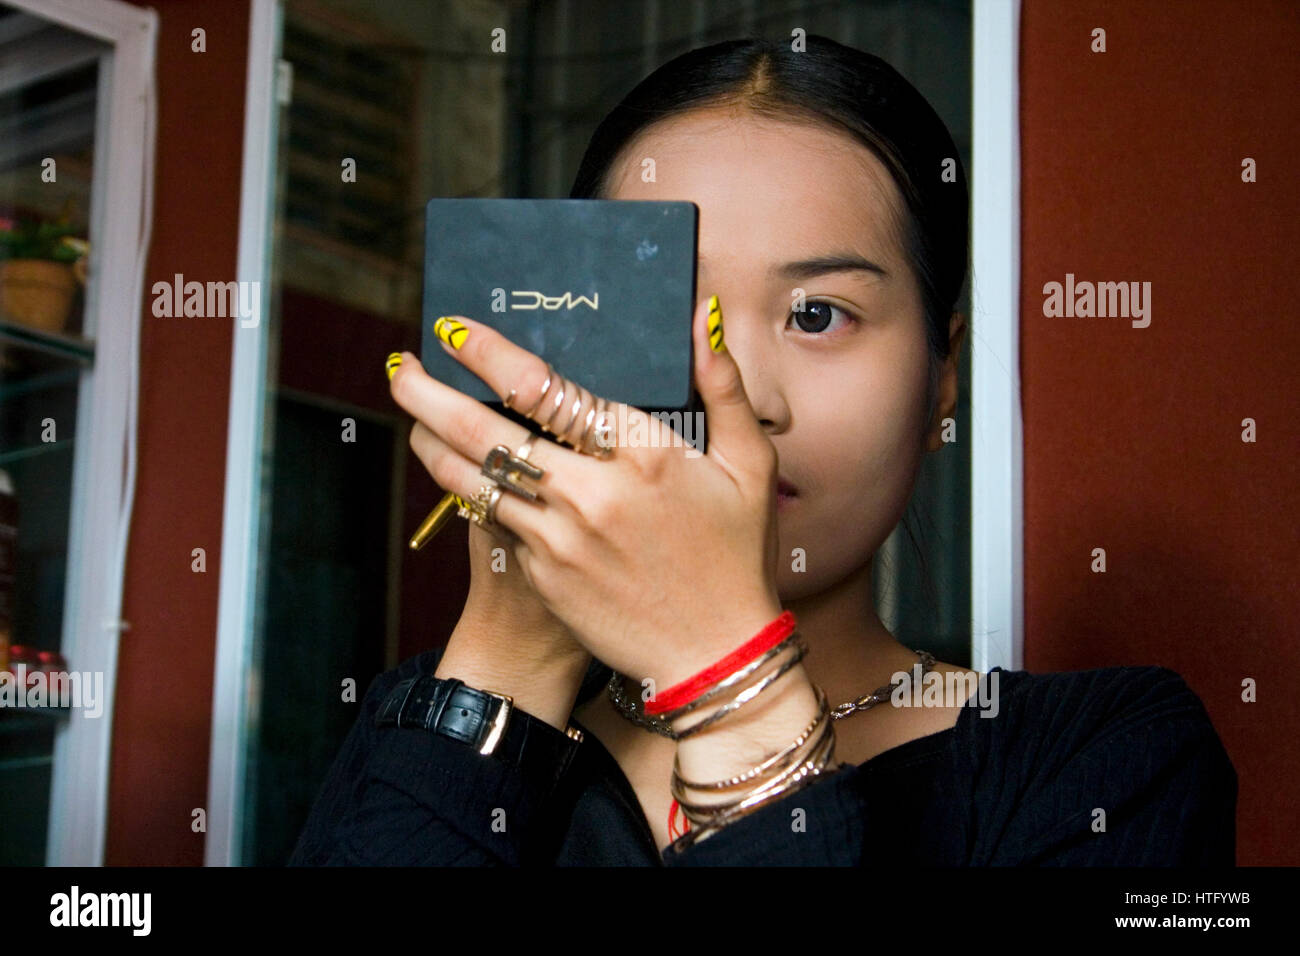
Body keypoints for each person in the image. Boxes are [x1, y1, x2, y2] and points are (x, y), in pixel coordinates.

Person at [288, 35, 1236, 866]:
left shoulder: (1108, 758)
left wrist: (725, 681)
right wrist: (506, 663)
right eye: (665, 316)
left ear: (941, 372)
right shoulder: (431, 723)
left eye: (817, 314)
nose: (741, 397)